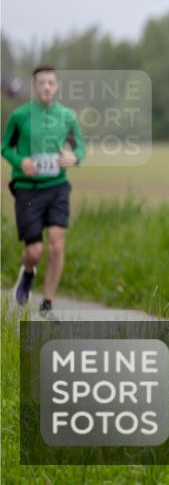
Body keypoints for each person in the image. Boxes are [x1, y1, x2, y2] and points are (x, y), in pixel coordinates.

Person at [3, 64, 85, 319]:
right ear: (34, 87)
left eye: (51, 82)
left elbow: (79, 149)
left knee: (57, 244)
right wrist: (21, 163)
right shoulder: (20, 116)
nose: (46, 87)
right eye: (41, 83)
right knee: (34, 251)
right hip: (28, 190)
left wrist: (74, 158)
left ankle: (47, 304)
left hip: (57, 186)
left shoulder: (67, 117)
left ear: (57, 86)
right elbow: (5, 147)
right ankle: (28, 274)